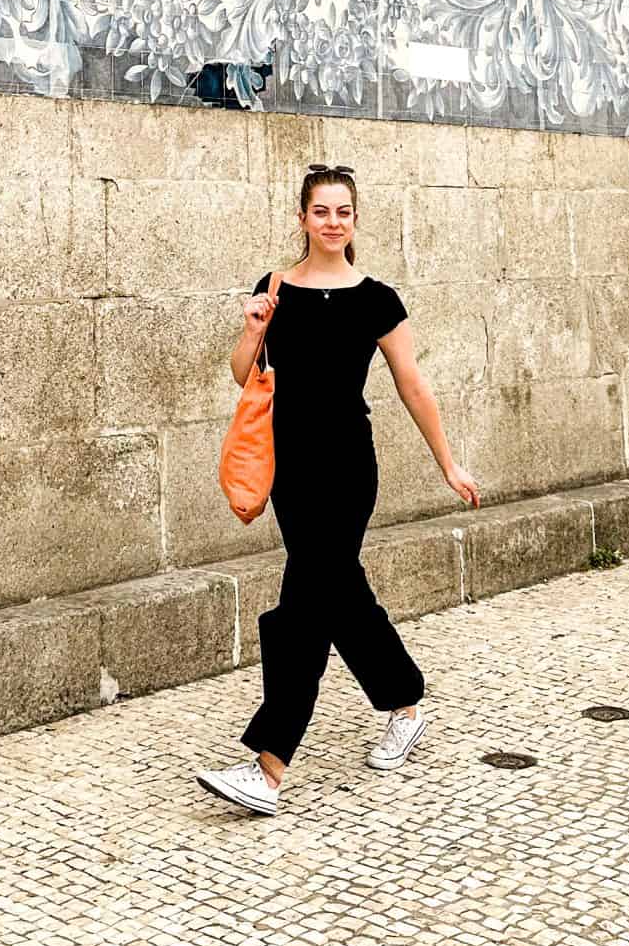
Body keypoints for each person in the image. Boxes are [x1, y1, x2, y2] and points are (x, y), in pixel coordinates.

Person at [197, 165, 479, 817]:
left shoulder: (376, 299)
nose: (333, 222)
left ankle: (268, 767)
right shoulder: (274, 289)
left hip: (350, 468)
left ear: (355, 220)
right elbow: (247, 376)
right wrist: (251, 327)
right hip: (290, 470)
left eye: (344, 212)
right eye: (321, 211)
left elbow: (413, 385)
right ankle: (406, 702)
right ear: (302, 218)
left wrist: (448, 464)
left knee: (303, 603)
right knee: (340, 594)